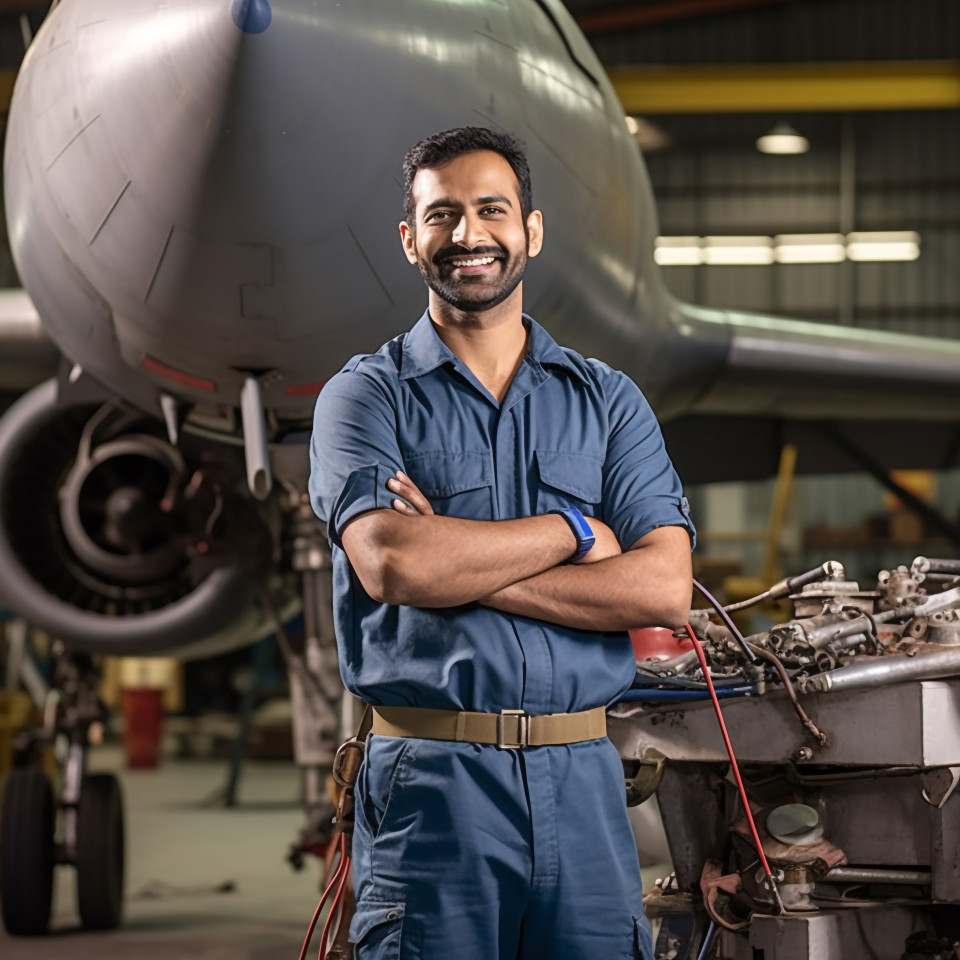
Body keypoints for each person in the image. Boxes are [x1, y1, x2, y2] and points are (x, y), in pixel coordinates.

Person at [309, 126, 695, 960]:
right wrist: (576, 530)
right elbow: (393, 562)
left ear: (532, 230)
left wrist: (460, 565)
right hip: (431, 787)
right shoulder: (363, 397)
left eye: (492, 210)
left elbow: (663, 588)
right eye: (442, 215)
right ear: (411, 240)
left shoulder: (608, 403)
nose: (470, 235)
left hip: (585, 782)